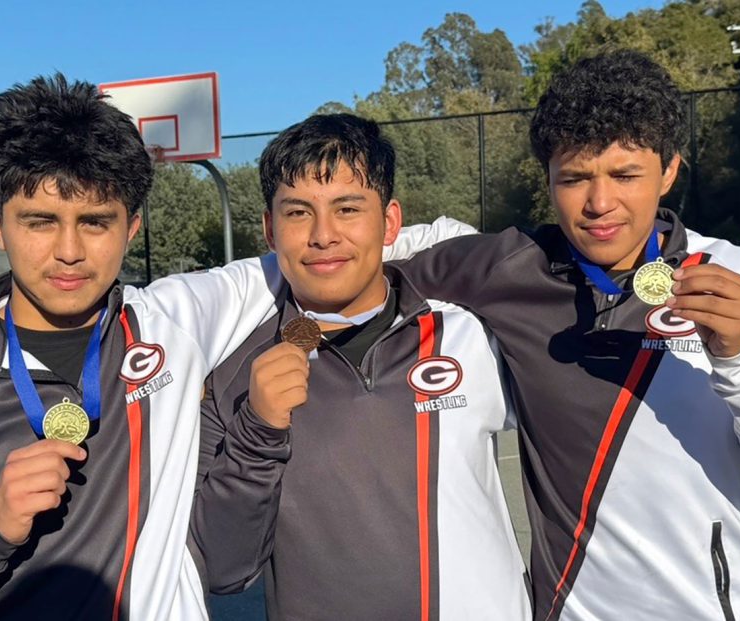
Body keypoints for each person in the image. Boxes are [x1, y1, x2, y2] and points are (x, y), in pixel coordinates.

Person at [388, 50, 740, 620]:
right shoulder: (506, 268)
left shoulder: (738, 278)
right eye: (575, 178)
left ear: (670, 170)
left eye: (626, 175)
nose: (599, 203)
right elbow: (362, 254)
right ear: (548, 179)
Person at [0, 74, 285, 620]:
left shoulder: (174, 320)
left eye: (95, 222)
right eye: (40, 222)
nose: (69, 251)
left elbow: (327, 254)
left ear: (131, 226)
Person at [192, 114, 531, 620]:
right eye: (298, 213)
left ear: (390, 222)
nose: (324, 235)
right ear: (268, 228)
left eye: (348, 208)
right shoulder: (231, 374)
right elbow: (224, 569)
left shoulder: (471, 329)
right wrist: (258, 432)